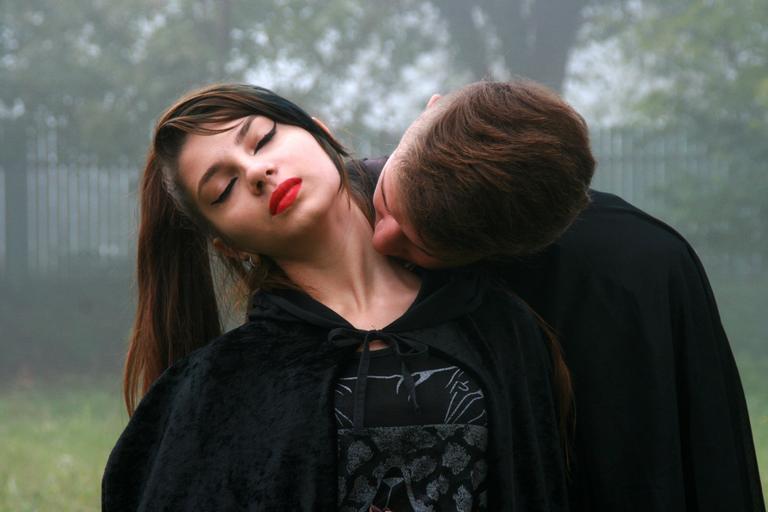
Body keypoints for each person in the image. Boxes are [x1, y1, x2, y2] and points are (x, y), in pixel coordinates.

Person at [102, 83, 577, 511]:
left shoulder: (495, 321)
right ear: (229, 246)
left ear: (321, 133)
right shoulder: (224, 384)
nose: (257, 171)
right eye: (224, 189)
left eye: (262, 140)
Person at [367, 79, 765, 511]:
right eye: (387, 199)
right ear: (432, 107)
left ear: (511, 249)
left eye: (418, 246)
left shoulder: (641, 268)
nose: (380, 241)